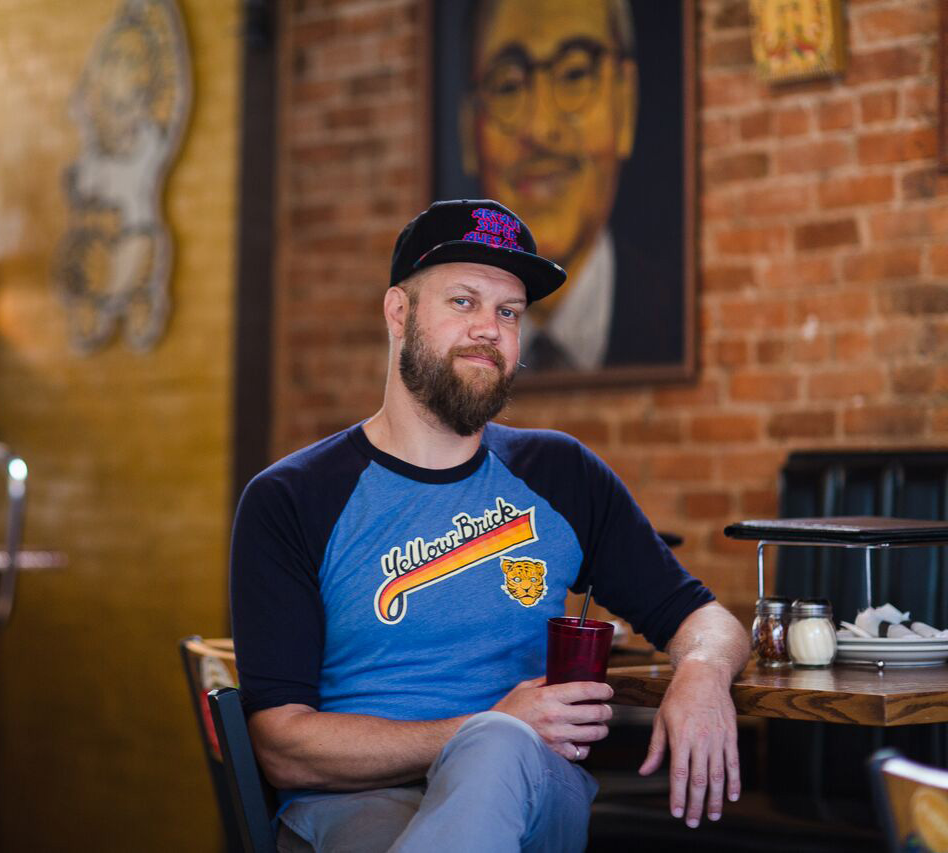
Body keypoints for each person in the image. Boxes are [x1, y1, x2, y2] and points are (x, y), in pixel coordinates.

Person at [230, 199, 748, 851]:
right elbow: (281, 746)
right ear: (398, 312)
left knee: (503, 748)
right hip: (353, 808)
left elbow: (701, 617)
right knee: (496, 739)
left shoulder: (561, 473)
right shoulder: (293, 498)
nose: (489, 329)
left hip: (533, 792)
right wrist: (483, 725)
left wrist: (702, 672)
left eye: (508, 312)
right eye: (464, 302)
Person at [463, 0, 680, 370]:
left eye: (575, 74)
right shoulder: (442, 351)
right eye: (508, 85)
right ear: (469, 131)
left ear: (625, 103)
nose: (539, 126)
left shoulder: (673, 313)